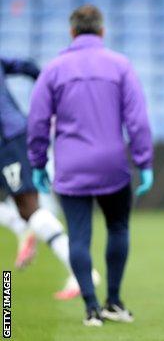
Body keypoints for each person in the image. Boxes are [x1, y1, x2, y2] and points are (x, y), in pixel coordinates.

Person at [27, 5, 153, 327]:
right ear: (101, 31)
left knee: (78, 238)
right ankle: (114, 300)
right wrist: (144, 162)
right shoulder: (120, 66)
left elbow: (38, 122)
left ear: (72, 33)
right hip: (112, 165)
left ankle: (91, 307)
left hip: (71, 167)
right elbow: (136, 121)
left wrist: (38, 163)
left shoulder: (53, 70)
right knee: (118, 228)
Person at [0, 55, 88, 299]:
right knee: (26, 211)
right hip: (12, 135)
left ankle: (83, 273)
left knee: (30, 209)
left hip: (8, 139)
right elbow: (27, 66)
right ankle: (21, 227)